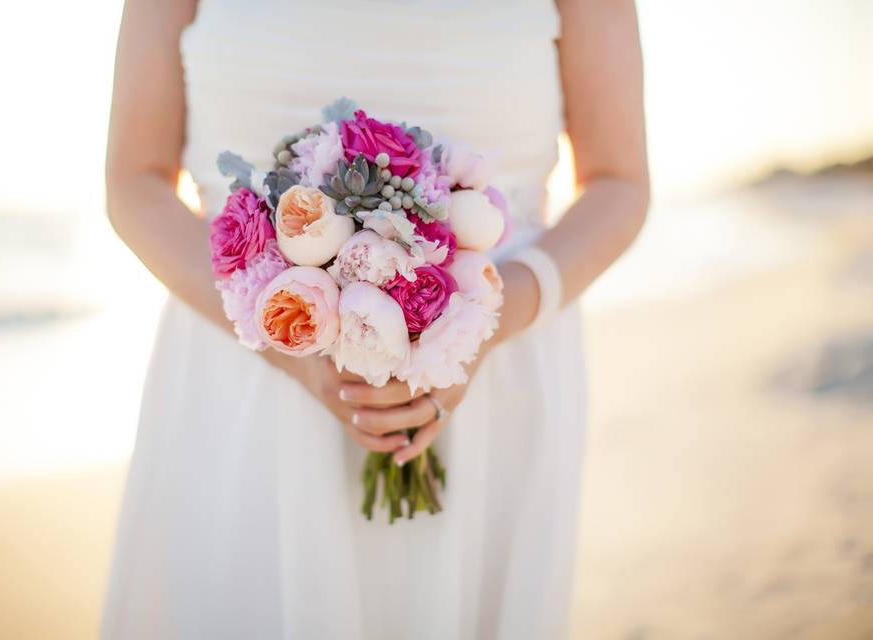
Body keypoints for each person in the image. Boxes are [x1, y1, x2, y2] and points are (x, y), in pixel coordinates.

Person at [102, 0, 649, 637]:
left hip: (494, 374)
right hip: (245, 373)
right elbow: (133, 181)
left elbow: (619, 180)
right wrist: (291, 351)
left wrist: (487, 321)